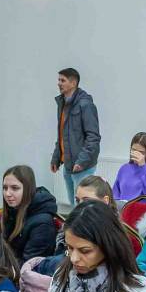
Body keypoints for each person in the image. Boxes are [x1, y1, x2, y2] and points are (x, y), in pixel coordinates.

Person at [51, 67, 102, 207]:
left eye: (63, 80)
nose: (59, 83)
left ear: (73, 83)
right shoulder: (62, 104)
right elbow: (62, 134)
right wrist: (56, 158)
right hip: (68, 165)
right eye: (59, 80)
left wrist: (81, 161)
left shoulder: (85, 104)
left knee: (82, 208)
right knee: (74, 206)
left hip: (82, 166)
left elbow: (93, 137)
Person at [0, 164, 59, 261]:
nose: (7, 193)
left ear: (28, 189)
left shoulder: (42, 223)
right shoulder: (11, 212)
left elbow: (29, 265)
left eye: (15, 188)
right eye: (5, 188)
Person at [112, 131, 146, 203]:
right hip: (122, 207)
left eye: (141, 152)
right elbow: (115, 193)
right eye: (134, 150)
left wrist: (143, 166)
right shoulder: (124, 168)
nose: (136, 154)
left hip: (142, 208)